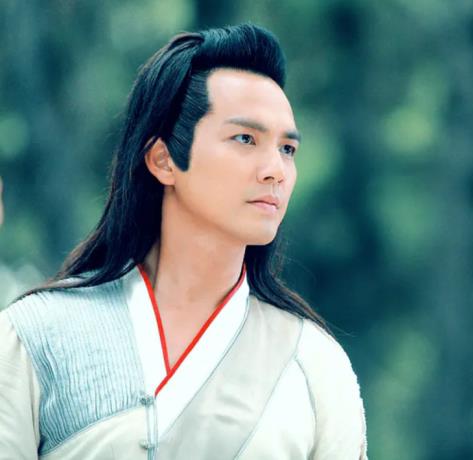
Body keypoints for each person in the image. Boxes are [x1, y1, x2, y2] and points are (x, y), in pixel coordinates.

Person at [0, 24, 368, 459]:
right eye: (245, 139)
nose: (276, 170)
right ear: (163, 160)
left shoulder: (313, 363)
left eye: (287, 149)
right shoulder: (36, 336)